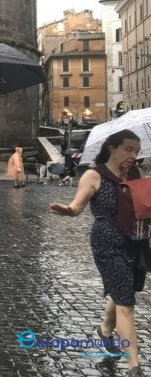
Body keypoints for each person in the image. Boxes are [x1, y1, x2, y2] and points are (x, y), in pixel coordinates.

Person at [50, 130, 149, 377]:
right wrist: (68, 210)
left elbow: (144, 206)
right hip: (107, 244)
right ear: (112, 148)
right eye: (128, 149)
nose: (133, 155)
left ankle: (104, 330)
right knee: (126, 303)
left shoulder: (137, 174)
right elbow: (77, 207)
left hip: (136, 241)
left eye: (136, 151)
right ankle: (133, 367)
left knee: (122, 291)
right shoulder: (94, 175)